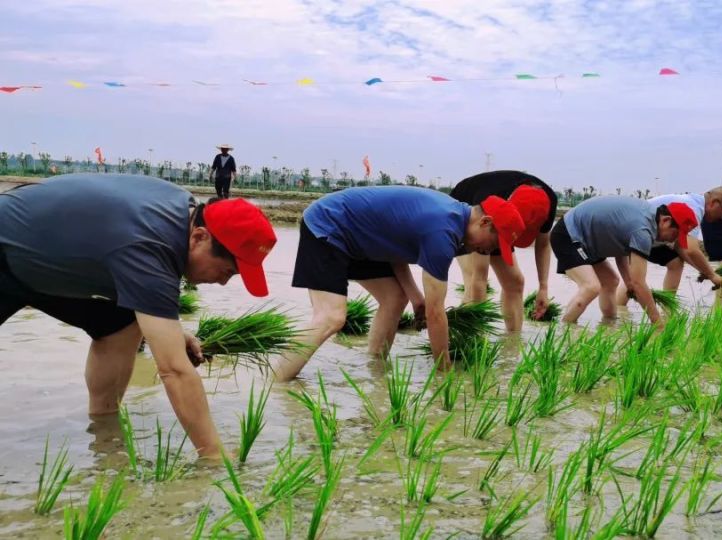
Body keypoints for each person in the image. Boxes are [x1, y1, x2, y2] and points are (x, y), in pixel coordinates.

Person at [0, 173, 277, 458]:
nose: (222, 282)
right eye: (227, 271)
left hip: (50, 262)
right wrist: (215, 456)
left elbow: (140, 288)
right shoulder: (151, 245)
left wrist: (171, 333)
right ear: (199, 237)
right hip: (9, 245)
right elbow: (175, 371)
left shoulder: (182, 210)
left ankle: (104, 430)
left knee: (121, 323)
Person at [273, 185, 536, 381]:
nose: (490, 251)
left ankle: (374, 368)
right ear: (485, 222)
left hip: (365, 240)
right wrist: (443, 373)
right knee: (331, 317)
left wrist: (414, 296)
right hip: (330, 224)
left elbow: (394, 244)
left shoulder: (457, 225)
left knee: (394, 299)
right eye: (494, 242)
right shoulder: (443, 231)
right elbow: (435, 314)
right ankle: (276, 381)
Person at [550, 196, 698, 328]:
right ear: (666, 220)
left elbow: (621, 249)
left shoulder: (648, 216)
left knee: (611, 281)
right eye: (676, 234)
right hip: (569, 234)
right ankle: (564, 330)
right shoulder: (643, 231)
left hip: (589, 241)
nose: (673, 240)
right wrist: (658, 323)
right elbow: (639, 283)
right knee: (591, 287)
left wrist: (628, 282)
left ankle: (608, 325)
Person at [449, 171, 555, 331]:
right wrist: (480, 336)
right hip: (467, 213)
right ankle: (470, 338)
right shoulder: (489, 202)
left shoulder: (549, 201)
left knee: (515, 282)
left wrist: (543, 287)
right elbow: (480, 278)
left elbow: (543, 245)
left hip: (500, 223)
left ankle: (513, 344)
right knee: (472, 278)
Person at [614, 187, 722, 305]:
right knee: (636, 277)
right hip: (637, 233)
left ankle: (665, 308)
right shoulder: (694, 208)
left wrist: (704, 271)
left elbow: (681, 248)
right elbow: (691, 250)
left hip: (648, 235)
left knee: (675, 262)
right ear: (714, 203)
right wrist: (712, 275)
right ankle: (620, 312)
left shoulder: (693, 201)